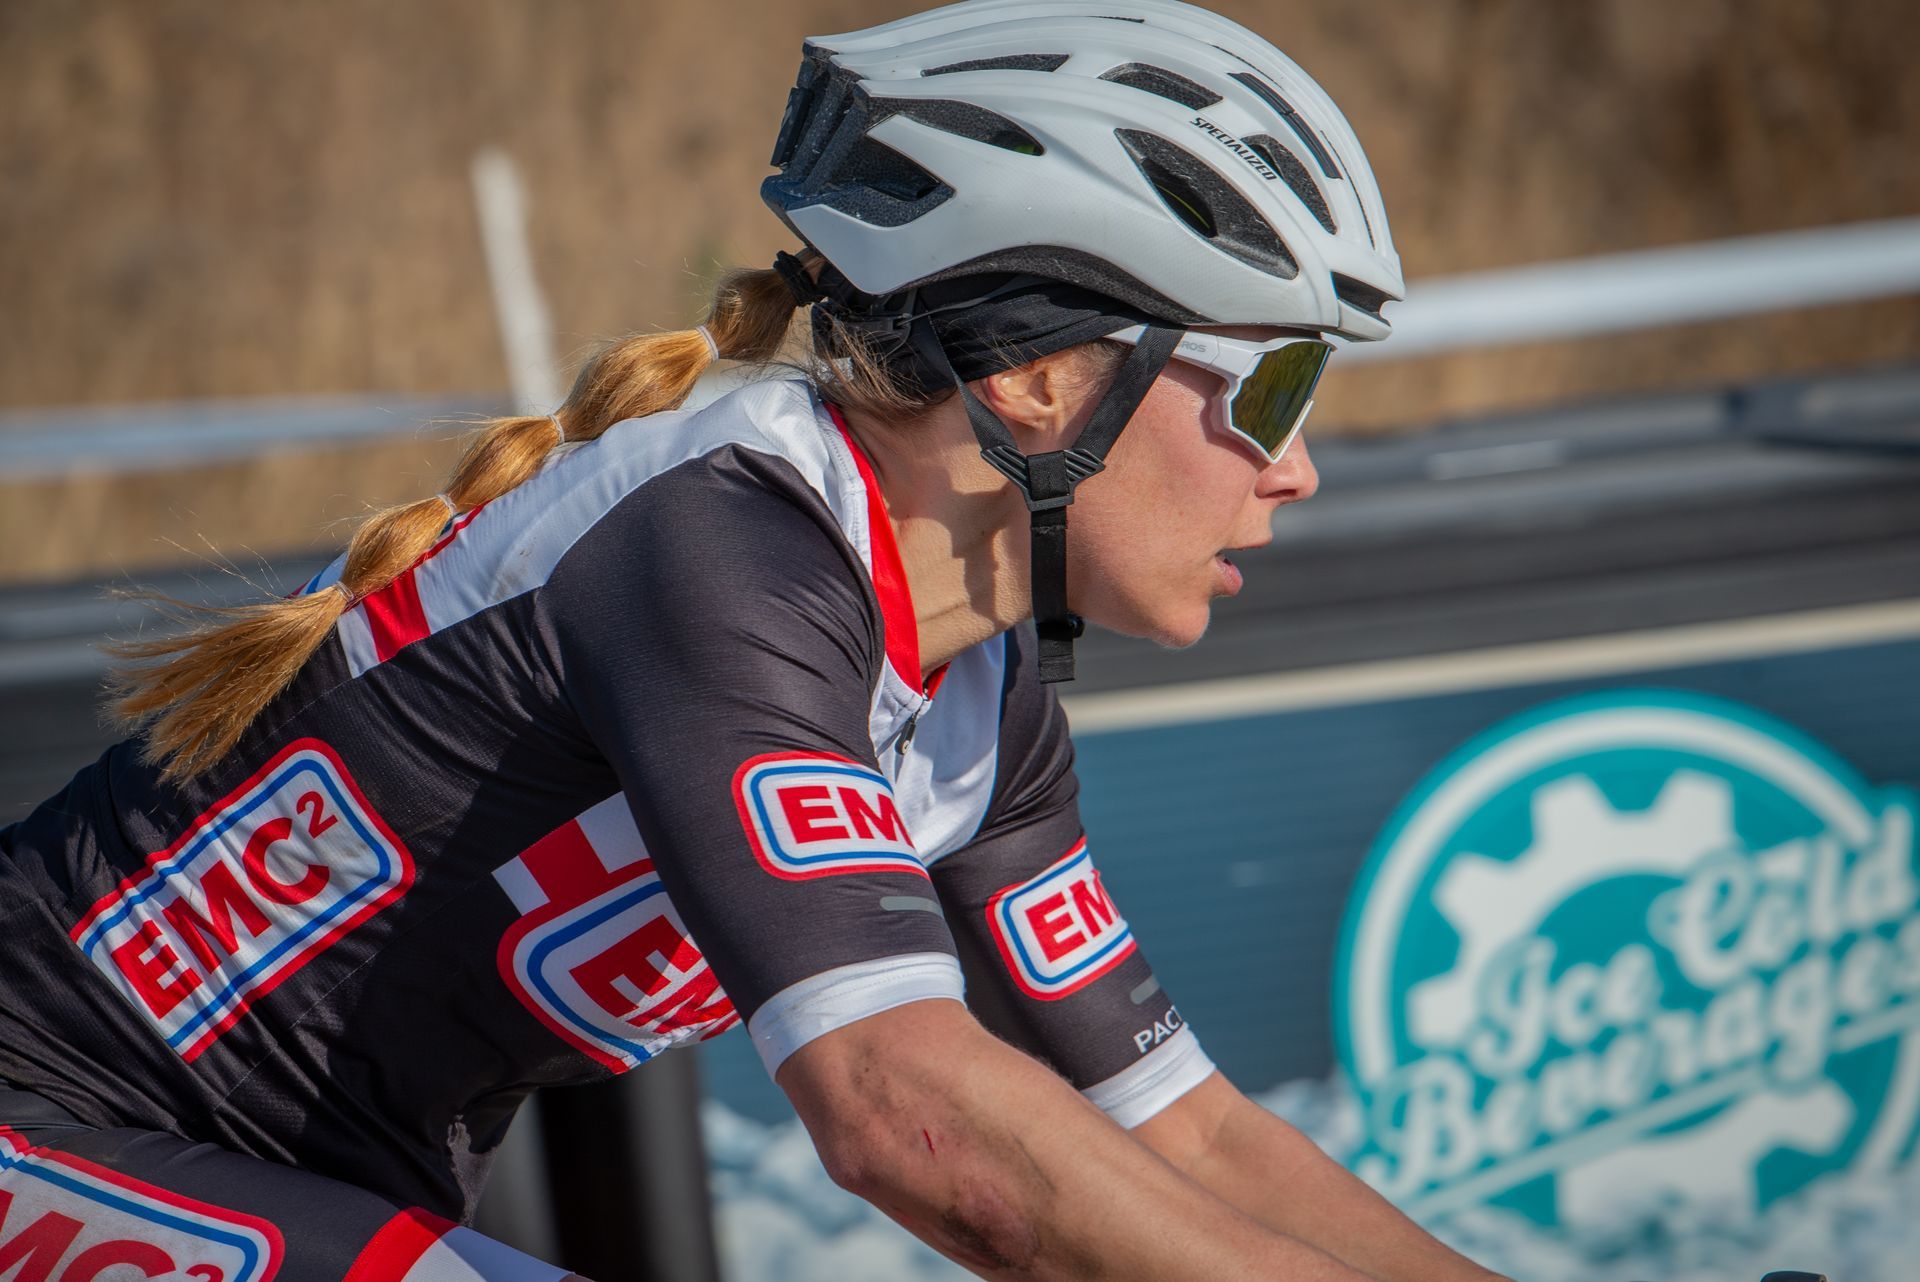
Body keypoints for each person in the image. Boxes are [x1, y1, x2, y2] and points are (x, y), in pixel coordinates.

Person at [0, 2, 1509, 1279]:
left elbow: (1187, 1132)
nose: (1297, 464)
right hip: (46, 1113)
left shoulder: (977, 704)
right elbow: (906, 1113)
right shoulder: (717, 546)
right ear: (1046, 379)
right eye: (1274, 385)